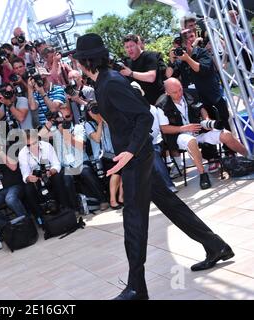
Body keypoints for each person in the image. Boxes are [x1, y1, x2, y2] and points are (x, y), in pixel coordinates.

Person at [74, 33, 235, 300]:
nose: (78, 65)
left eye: (79, 60)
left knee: (134, 220)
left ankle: (136, 287)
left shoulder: (111, 82)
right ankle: (216, 245)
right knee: (171, 205)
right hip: (136, 155)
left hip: (136, 157)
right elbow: (123, 112)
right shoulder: (103, 82)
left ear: (86, 61)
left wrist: (128, 151)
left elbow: (143, 116)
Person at [157, 78, 248, 189]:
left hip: (199, 130)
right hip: (179, 135)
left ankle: (248, 156)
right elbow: (164, 129)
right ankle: (203, 174)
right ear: (167, 92)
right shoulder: (161, 105)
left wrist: (207, 121)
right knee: (191, 141)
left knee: (226, 134)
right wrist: (184, 128)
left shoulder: (191, 94)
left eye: (180, 89)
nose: (179, 93)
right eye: (175, 92)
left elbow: (202, 109)